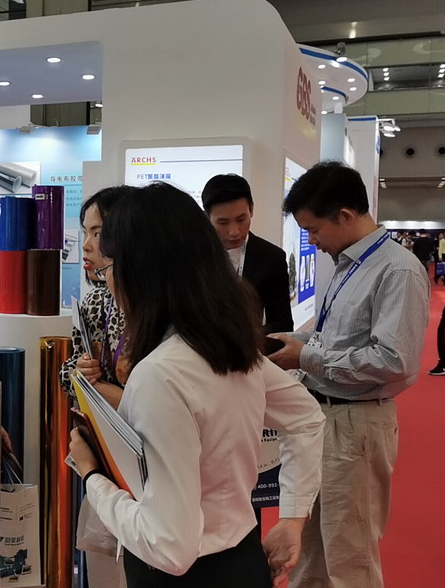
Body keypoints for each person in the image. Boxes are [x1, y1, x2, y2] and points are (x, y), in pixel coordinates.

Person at [69, 182, 326, 588]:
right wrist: (292, 518)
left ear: (138, 272)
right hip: (243, 556)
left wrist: (92, 476)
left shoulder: (162, 373)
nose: (109, 282)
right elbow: (307, 417)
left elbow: (171, 547)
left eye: (109, 268)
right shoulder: (226, 346)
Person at [268, 161, 430, 588]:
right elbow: (335, 338)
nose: (312, 241)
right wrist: (293, 341)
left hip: (356, 423)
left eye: (314, 229)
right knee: (309, 549)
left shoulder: (397, 269)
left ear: (344, 215)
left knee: (349, 554)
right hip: (323, 417)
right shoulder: (349, 264)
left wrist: (306, 357)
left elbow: (394, 360)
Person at [59, 186, 135, 588]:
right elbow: (67, 375)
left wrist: (103, 390)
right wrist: (80, 373)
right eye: (85, 232)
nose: (87, 245)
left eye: (98, 232)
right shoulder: (94, 301)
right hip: (103, 449)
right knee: (104, 563)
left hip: (147, 453)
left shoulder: (154, 304)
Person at [201, 173, 294, 335]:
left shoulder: (272, 258)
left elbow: (282, 323)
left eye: (241, 219)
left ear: (251, 209)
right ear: (207, 217)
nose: (234, 231)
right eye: (223, 222)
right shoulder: (195, 255)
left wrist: (247, 339)